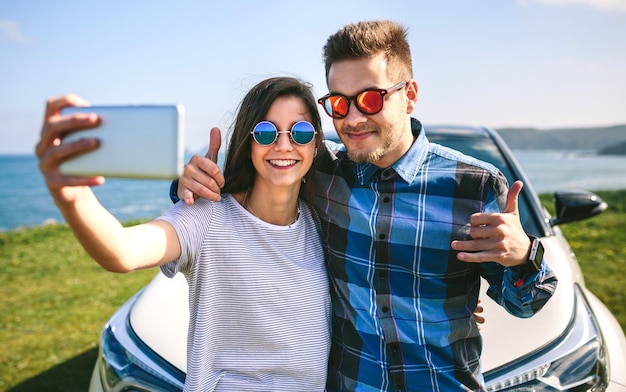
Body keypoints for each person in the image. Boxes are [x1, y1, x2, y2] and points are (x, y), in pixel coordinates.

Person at [173, 20, 558, 391]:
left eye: (371, 99)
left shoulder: (473, 184)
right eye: (339, 104)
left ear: (409, 95)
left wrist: (522, 256)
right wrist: (188, 185)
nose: (353, 119)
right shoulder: (320, 171)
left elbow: (526, 303)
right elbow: (256, 175)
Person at [35, 77, 331, 391]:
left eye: (299, 132)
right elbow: (122, 251)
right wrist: (72, 197)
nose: (283, 145)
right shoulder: (207, 216)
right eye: (266, 132)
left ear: (316, 143)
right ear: (248, 143)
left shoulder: (319, 219)